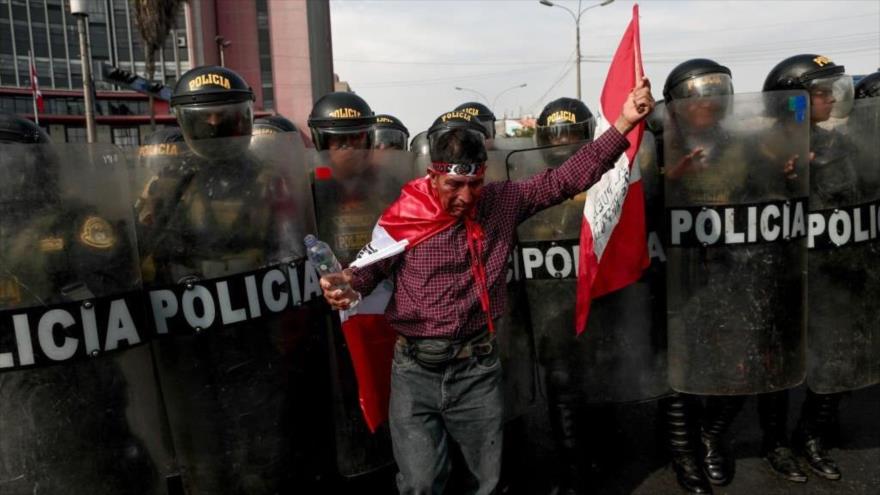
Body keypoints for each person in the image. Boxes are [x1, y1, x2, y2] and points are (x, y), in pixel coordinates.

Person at [320, 79, 655, 494]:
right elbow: (367, 272)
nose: (465, 196)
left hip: (476, 370)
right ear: (432, 176)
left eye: (474, 184)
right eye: (453, 186)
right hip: (414, 373)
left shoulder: (502, 202)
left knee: (488, 482)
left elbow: (567, 178)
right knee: (421, 483)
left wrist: (622, 123)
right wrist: (345, 286)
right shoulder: (404, 215)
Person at [761, 53, 860, 483]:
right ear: (792, 101)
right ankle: (776, 444)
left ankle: (812, 436)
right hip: (779, 274)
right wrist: (779, 179)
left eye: (827, 92)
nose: (828, 100)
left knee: (834, 357)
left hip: (831, 269)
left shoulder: (839, 142)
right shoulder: (761, 148)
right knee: (780, 366)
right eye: (818, 93)